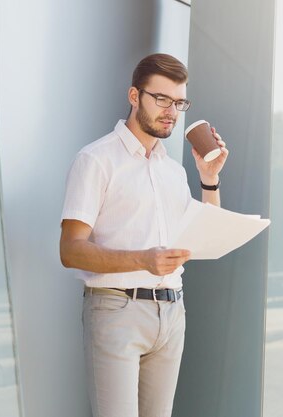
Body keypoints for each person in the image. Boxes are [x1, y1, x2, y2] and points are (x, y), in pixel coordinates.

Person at [59, 53, 228, 417]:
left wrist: (209, 178)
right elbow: (70, 250)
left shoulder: (173, 171)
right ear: (134, 96)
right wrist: (143, 259)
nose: (171, 111)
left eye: (179, 102)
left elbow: (204, 235)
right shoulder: (96, 160)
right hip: (116, 311)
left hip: (171, 313)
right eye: (161, 99)